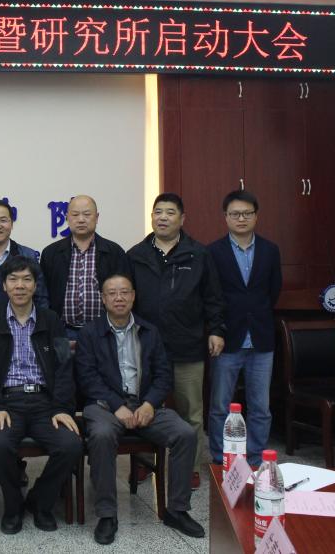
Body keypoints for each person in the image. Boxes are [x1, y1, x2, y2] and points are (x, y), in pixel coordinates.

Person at [76, 274, 204, 544]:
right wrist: (117, 405)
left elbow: (163, 375)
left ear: (133, 296)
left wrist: (150, 403)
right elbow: (87, 379)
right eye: (112, 293)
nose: (119, 298)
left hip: (144, 402)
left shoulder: (150, 331)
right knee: (101, 435)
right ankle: (107, 515)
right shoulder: (89, 333)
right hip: (104, 406)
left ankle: (177, 510)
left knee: (184, 433)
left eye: (124, 292)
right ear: (103, 299)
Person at [0, 255, 82, 534]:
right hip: (6, 403)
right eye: (13, 279)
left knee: (70, 445)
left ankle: (40, 502)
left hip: (46, 404)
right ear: (4, 286)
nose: (20, 285)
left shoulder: (51, 321)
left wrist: (61, 408)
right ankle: (13, 506)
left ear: (35, 285)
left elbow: (64, 367)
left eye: (26, 279)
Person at [127, 193, 226, 486]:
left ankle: (190, 467)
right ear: (152, 217)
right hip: (144, 346)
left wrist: (217, 330)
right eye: (158, 212)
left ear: (182, 219)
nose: (163, 217)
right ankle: (143, 462)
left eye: (170, 212)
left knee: (191, 411)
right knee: (143, 407)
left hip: (188, 344)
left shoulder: (198, 254)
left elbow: (213, 297)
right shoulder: (135, 255)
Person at [207, 190, 282, 468]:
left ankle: (255, 459)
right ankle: (221, 458)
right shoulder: (213, 252)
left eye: (247, 213)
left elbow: (273, 290)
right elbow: (211, 295)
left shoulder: (270, 250)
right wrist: (217, 328)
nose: (241, 218)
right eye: (235, 214)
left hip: (261, 338)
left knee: (260, 406)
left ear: (256, 216)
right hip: (227, 338)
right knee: (220, 405)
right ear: (226, 217)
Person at [40, 194, 131, 341]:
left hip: (104, 332)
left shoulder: (114, 252)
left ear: (97, 217)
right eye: (75, 214)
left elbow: (125, 294)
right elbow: (43, 295)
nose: (81, 219)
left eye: (87, 214)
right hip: (62, 332)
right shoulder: (51, 253)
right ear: (67, 218)